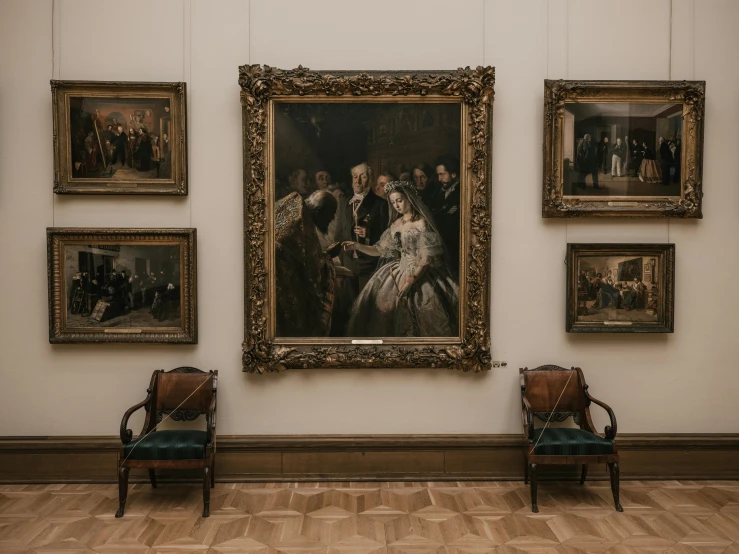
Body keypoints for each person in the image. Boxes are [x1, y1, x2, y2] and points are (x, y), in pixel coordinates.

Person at [343, 181, 459, 337]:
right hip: (398, 271)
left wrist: (410, 282)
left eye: (399, 200)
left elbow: (425, 259)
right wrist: (357, 246)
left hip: (420, 274)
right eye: (392, 202)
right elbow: (380, 250)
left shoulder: (421, 223)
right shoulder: (396, 224)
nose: (396, 205)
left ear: (409, 198)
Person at [341, 162, 389, 291]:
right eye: (355, 177)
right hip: (348, 263)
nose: (358, 181)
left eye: (363, 176)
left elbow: (387, 236)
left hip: (369, 264)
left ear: (370, 179)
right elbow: (338, 233)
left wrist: (369, 233)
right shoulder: (344, 203)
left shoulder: (380, 204)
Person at [430, 156, 461, 274]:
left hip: (455, 243)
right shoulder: (439, 192)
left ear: (453, 174)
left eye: (442, 174)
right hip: (442, 241)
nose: (439, 179)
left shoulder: (461, 191)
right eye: (438, 175)